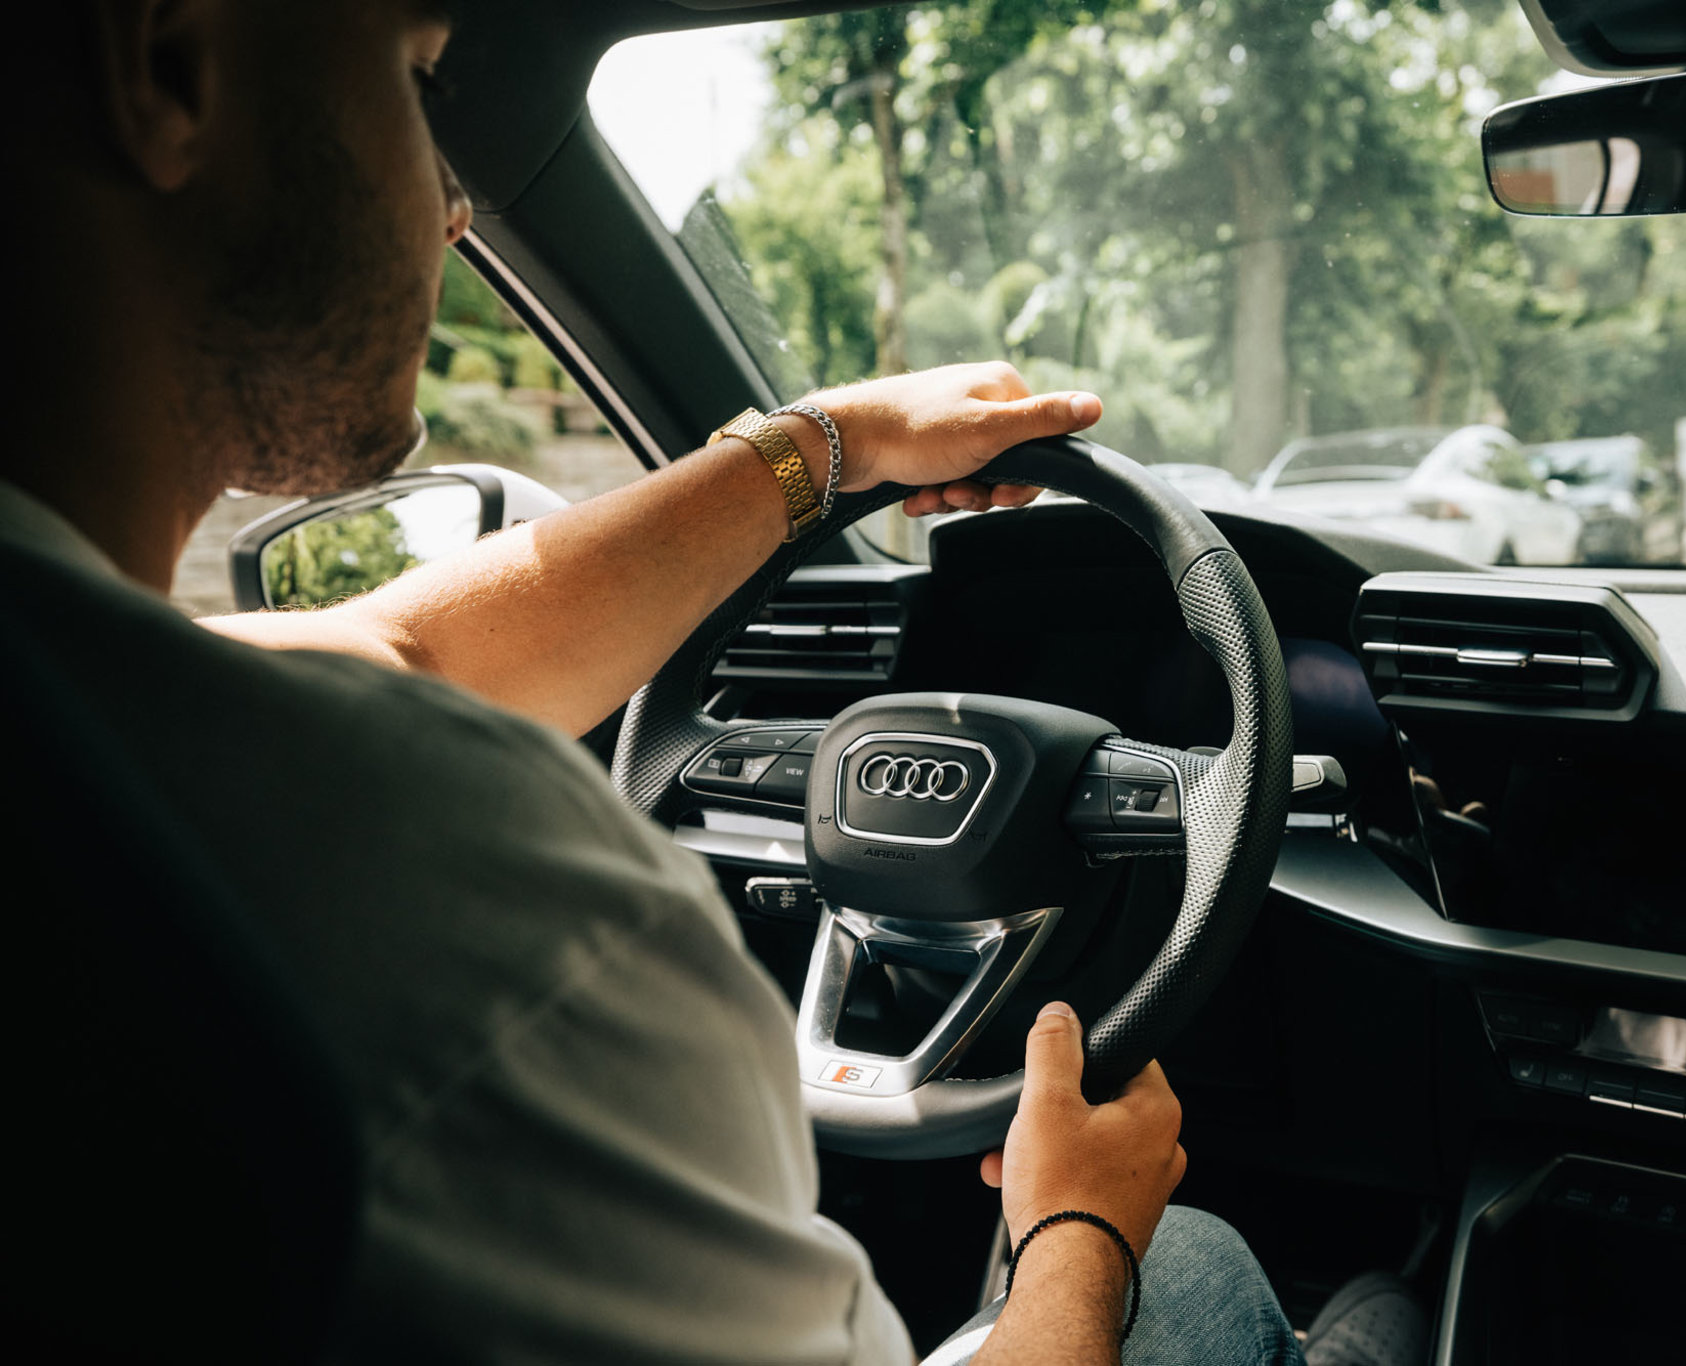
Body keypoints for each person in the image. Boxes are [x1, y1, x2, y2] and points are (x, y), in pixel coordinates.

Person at [1, 2, 1423, 1362]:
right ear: (168, 60)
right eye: (420, 79)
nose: (455, 205)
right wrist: (1077, 1226)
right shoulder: (479, 919)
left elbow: (404, 651)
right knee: (1206, 1267)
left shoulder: (119, 728)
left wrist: (832, 442)